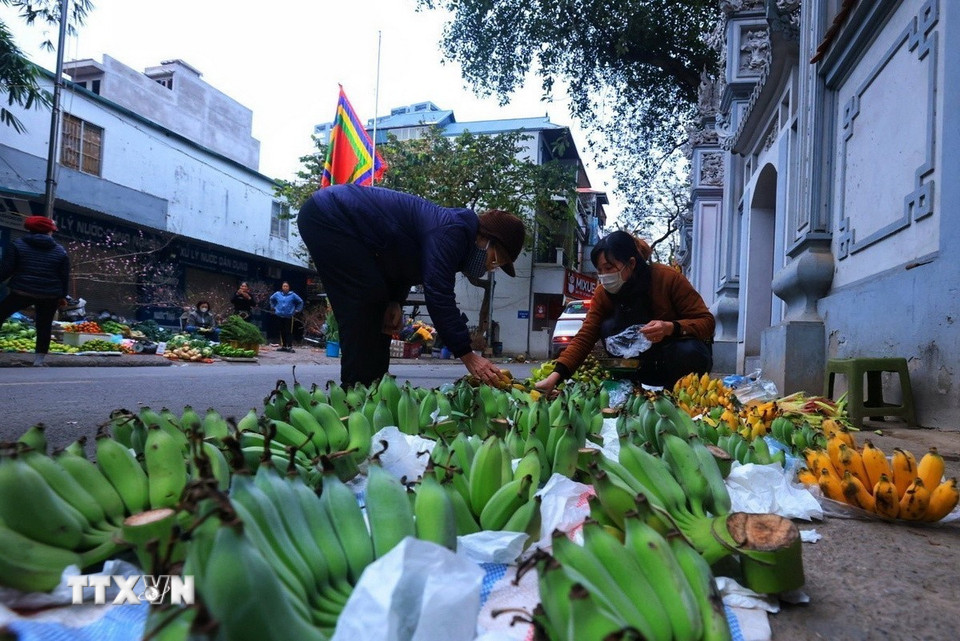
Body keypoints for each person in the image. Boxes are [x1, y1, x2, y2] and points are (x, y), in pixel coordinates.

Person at [297, 184, 525, 387]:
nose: (489, 268)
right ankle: (356, 392)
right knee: (364, 302)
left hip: (357, 237)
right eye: (495, 260)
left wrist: (395, 300)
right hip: (329, 216)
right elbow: (439, 294)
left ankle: (375, 388)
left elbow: (401, 264)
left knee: (381, 312)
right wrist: (467, 354)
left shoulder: (456, 240)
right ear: (486, 239)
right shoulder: (451, 232)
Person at [536, 230, 715, 394]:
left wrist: (671, 327)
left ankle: (677, 392)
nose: (604, 276)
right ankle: (629, 386)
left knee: (689, 350)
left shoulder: (667, 278)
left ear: (631, 263)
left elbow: (707, 322)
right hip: (637, 362)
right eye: (600, 270)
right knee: (607, 327)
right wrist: (556, 375)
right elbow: (585, 336)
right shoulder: (602, 293)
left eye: (609, 268)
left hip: (673, 357)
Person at [0, 216, 70, 366]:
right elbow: (64, 277)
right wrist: (62, 296)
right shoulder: (60, 251)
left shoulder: (17, 245)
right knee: (44, 325)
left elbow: (6, 269)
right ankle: (39, 360)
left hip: (22, 291)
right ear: (49, 232)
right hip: (50, 294)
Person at [269, 281, 303, 352]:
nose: (285, 287)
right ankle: (284, 346)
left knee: (288, 331)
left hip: (289, 316)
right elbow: (271, 299)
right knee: (282, 331)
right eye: (284, 286)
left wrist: (297, 310)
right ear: (282, 287)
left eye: (286, 286)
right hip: (279, 315)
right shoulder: (278, 294)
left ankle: (290, 346)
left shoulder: (293, 295)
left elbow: (300, 301)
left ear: (289, 287)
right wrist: (273, 307)